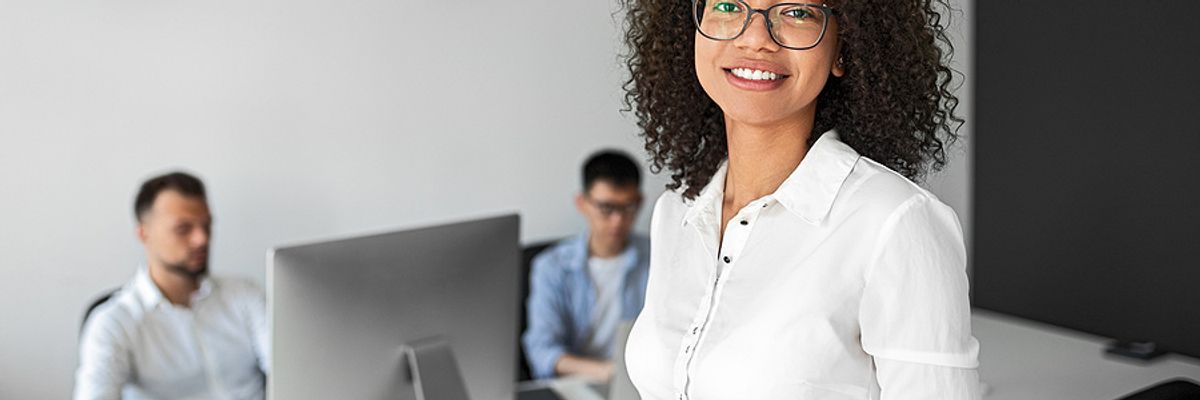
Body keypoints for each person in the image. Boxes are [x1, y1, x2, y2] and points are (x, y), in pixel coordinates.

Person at [619, 0, 980, 398]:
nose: (755, 38)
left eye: (797, 13)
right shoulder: (677, 213)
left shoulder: (896, 222)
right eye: (726, 5)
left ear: (843, 48)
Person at [74, 172, 269, 400]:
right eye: (183, 229)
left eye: (206, 225)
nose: (202, 239)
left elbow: (292, 367)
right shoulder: (114, 322)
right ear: (144, 233)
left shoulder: (244, 295)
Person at [523, 150, 651, 382]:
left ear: (639, 202)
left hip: (642, 382)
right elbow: (542, 352)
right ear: (583, 203)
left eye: (628, 208)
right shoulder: (552, 267)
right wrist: (608, 372)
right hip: (581, 381)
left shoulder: (659, 256)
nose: (618, 220)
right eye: (606, 208)